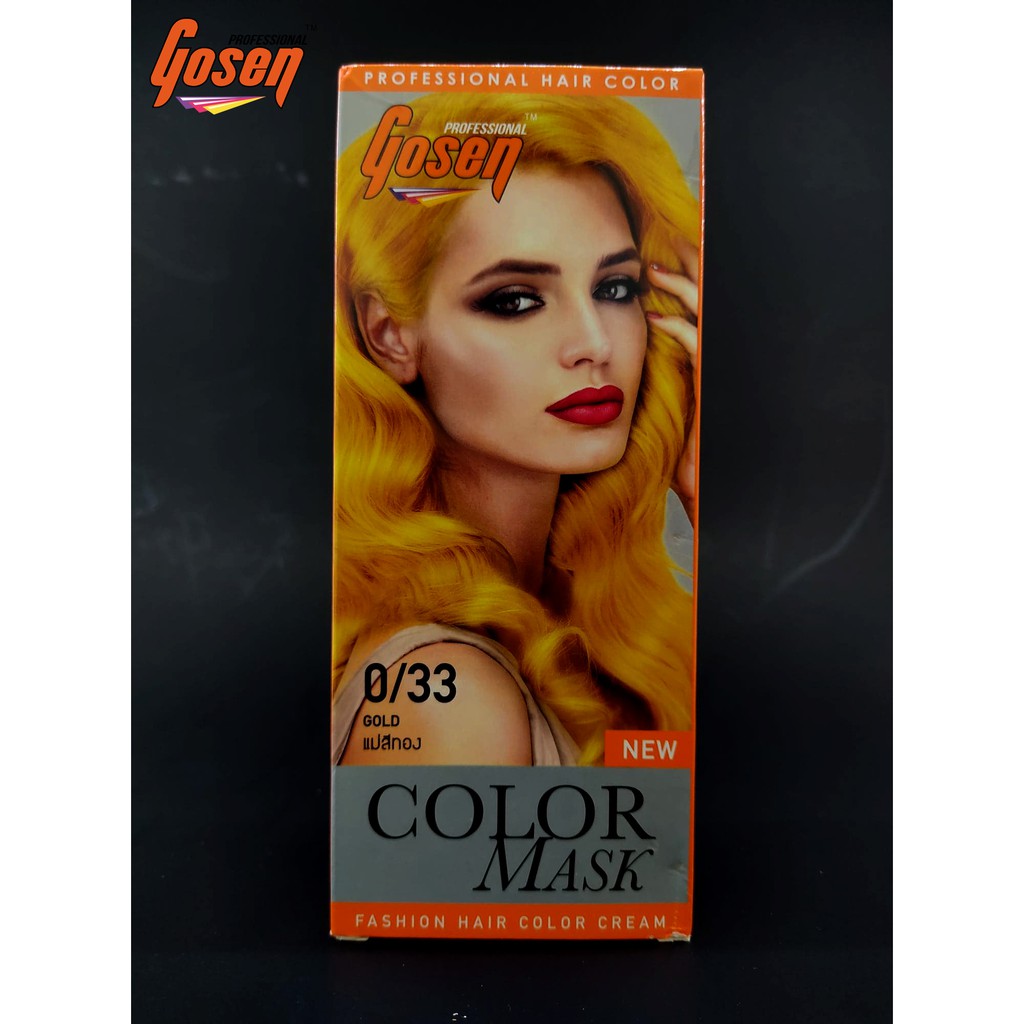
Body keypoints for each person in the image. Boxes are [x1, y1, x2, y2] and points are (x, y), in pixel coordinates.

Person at [331, 93, 701, 767]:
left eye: (615, 289)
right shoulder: (447, 695)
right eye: (516, 300)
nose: (594, 344)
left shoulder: (583, 619)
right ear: (389, 336)